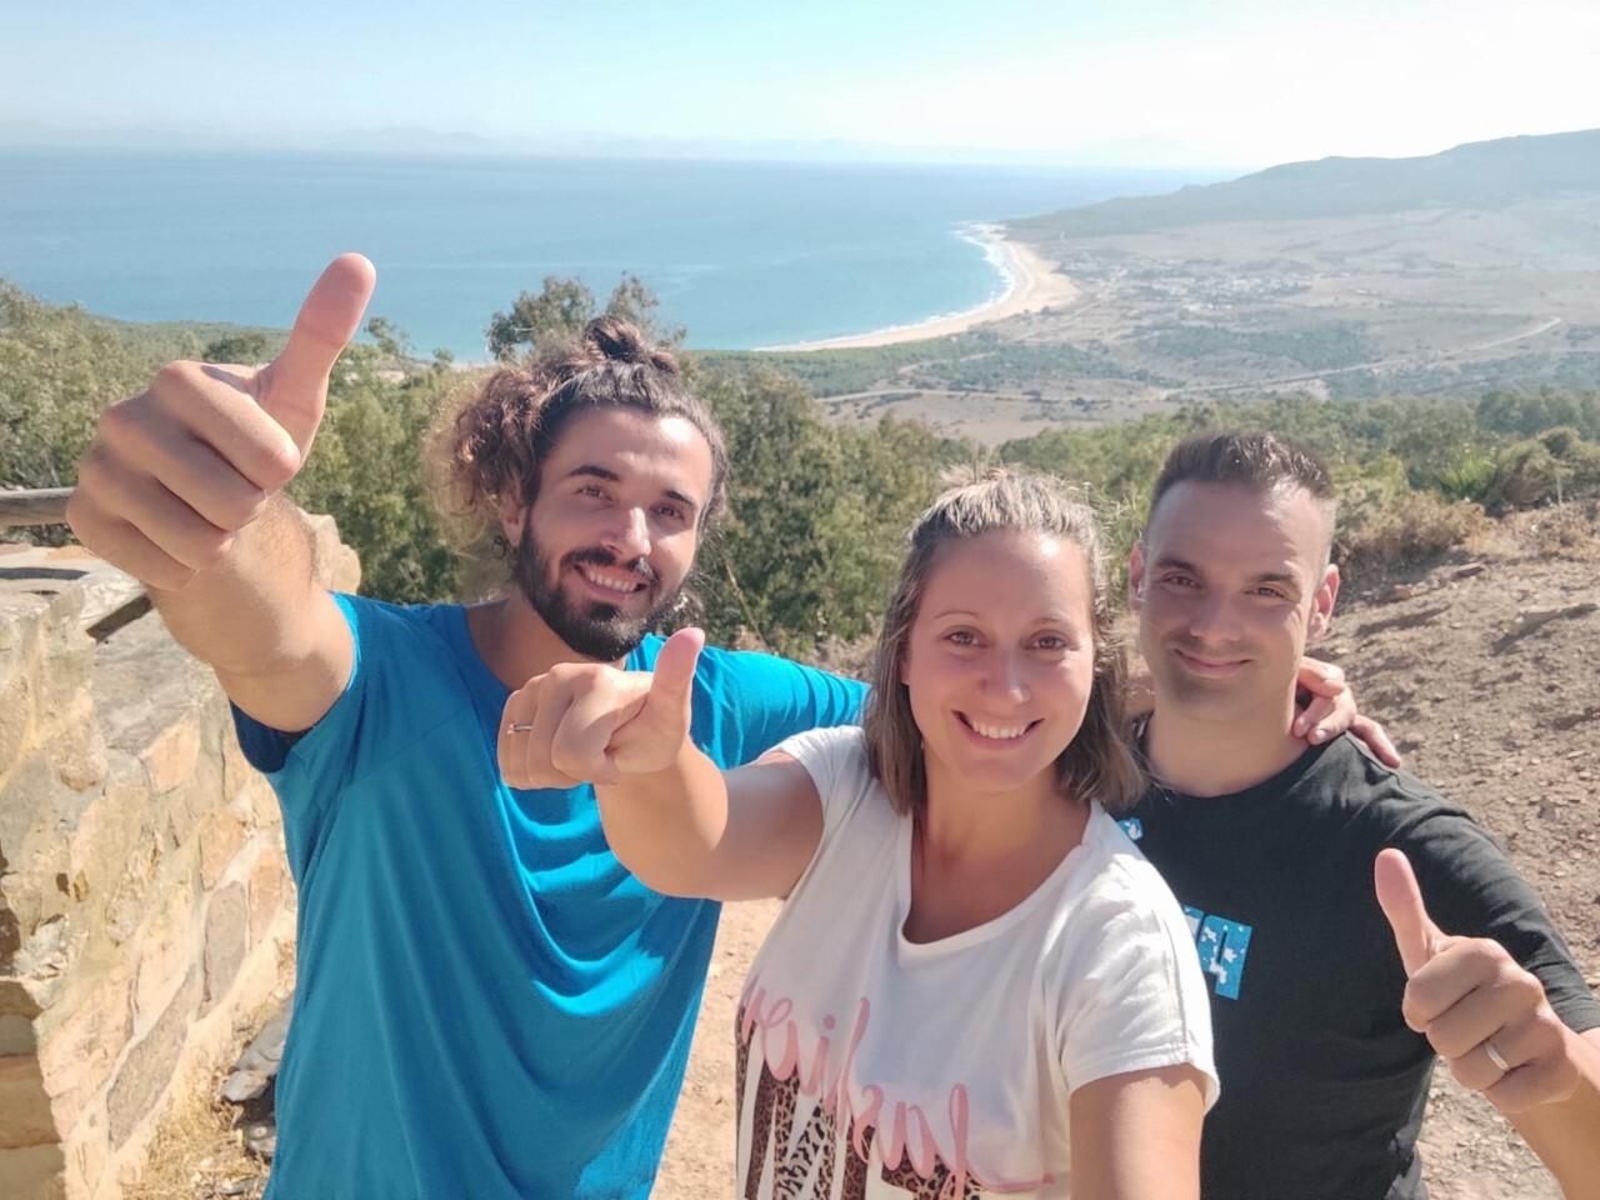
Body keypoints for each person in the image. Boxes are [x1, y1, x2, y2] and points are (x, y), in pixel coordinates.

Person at [66, 255, 1369, 1197]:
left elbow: (973, 695)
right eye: (594, 491)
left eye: (670, 511)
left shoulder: (739, 705)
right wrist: (212, 525)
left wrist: (1228, 687)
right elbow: (279, 617)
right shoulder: (381, 687)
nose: (630, 540)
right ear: (516, 502)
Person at [503, 471, 1220, 1199]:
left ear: (1095, 664)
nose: (1005, 686)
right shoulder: (848, 791)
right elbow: (697, 842)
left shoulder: (1119, 945)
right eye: (963, 637)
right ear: (904, 653)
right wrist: (649, 755)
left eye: (1046, 642)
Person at [1123, 432, 1600, 1200]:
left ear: (1322, 603)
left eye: (1267, 590)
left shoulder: (1402, 848)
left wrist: (1554, 1070)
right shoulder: (1070, 771)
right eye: (1183, 577)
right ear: (1139, 575)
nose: (1215, 624)